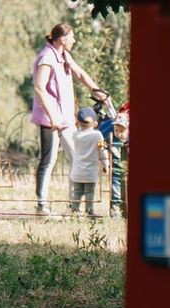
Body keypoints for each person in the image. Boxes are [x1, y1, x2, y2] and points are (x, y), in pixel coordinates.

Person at [29, 23, 106, 215]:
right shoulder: (47, 57)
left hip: (65, 118)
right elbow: (39, 87)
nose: (74, 40)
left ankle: (74, 204)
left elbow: (80, 73)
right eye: (72, 37)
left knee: (77, 157)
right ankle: (42, 204)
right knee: (49, 159)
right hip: (50, 118)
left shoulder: (63, 56)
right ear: (62, 39)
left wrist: (100, 93)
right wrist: (53, 116)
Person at [66, 107, 110, 219]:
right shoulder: (98, 135)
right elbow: (102, 150)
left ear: (78, 123)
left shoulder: (75, 135)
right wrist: (106, 164)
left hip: (77, 172)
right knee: (89, 192)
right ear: (95, 123)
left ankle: (75, 210)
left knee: (77, 192)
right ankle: (89, 211)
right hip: (90, 172)